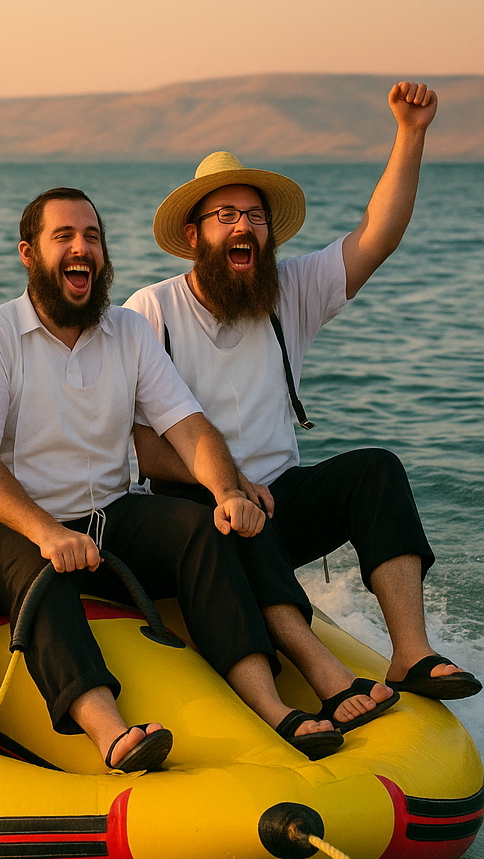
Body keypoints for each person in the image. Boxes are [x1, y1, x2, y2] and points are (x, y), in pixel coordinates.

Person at [0, 186, 345, 774]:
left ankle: (268, 703)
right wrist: (48, 532)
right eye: (65, 237)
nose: (83, 249)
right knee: (37, 566)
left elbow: (190, 428)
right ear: (29, 254)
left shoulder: (128, 331)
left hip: (105, 517)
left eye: (93, 237)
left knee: (203, 528)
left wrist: (226, 491)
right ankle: (110, 732)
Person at [125, 81, 481, 702]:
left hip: (281, 498)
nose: (246, 227)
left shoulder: (289, 291)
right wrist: (228, 483)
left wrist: (411, 134)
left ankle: (411, 654)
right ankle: (320, 675)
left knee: (376, 471)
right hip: (199, 512)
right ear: (194, 236)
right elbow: (135, 447)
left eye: (256, 217)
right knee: (241, 517)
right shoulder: (150, 312)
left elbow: (379, 234)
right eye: (227, 216)